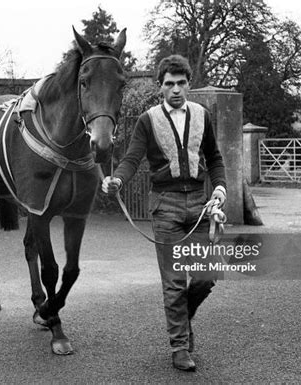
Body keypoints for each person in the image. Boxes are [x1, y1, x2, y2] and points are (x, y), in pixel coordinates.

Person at [102, 54, 227, 372]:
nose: (175, 90)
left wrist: (220, 188)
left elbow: (214, 157)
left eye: (181, 83)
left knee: (205, 277)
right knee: (173, 283)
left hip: (200, 206)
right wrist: (118, 179)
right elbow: (132, 158)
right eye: (169, 84)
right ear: (160, 87)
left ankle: (182, 322)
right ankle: (180, 347)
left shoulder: (202, 114)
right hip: (165, 207)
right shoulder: (148, 120)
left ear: (188, 84)